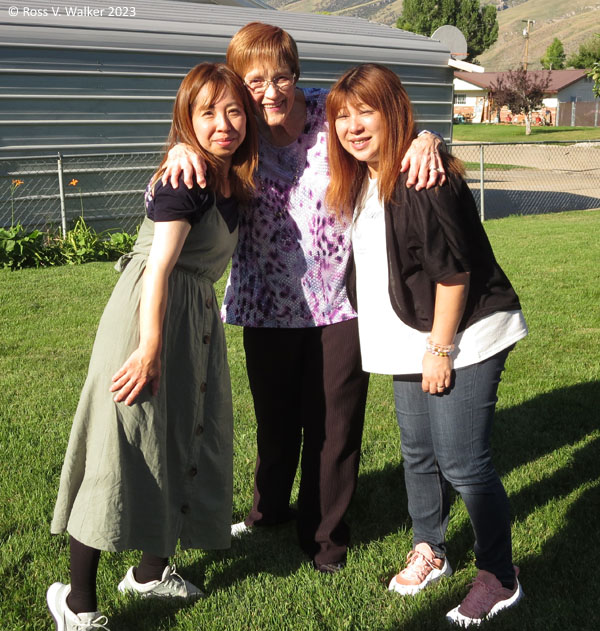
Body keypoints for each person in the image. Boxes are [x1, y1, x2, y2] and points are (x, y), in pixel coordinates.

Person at [163, 22, 446, 574]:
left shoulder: (326, 114)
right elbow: (192, 137)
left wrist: (428, 138)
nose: (271, 92)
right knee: (274, 422)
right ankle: (268, 510)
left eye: (282, 77)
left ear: (296, 76)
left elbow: (383, 123)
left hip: (339, 302)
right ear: (239, 85)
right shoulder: (234, 132)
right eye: (255, 81)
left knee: (333, 426)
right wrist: (177, 149)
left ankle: (324, 539)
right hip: (265, 302)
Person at [46, 62, 258, 631]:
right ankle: (77, 603)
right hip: (150, 315)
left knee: (182, 433)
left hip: (192, 319)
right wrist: (148, 348)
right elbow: (160, 267)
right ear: (186, 120)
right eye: (207, 112)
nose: (223, 124)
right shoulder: (185, 176)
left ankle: (148, 572)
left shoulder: (229, 176)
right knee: (122, 444)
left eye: (234, 110)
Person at [325, 63, 527, 626]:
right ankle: (430, 549)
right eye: (343, 116)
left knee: (463, 462)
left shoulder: (421, 178)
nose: (353, 126)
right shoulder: (366, 178)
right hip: (408, 335)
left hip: (462, 333)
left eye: (366, 111)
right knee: (418, 453)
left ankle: (500, 575)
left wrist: (440, 350)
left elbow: (453, 275)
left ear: (393, 113)